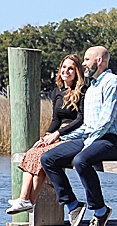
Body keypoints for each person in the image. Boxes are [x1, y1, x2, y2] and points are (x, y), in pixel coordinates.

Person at [39, 45, 117, 226]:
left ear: (99, 61)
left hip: (112, 140)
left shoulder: (113, 82)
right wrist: (59, 137)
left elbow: (106, 120)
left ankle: (100, 211)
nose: (84, 63)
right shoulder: (93, 87)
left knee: (82, 160)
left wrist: (87, 143)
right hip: (92, 138)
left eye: (87, 60)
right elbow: (87, 125)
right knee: (48, 158)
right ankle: (73, 205)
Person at [5, 54, 85, 215]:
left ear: (77, 72)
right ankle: (24, 200)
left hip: (73, 135)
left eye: (71, 68)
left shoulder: (83, 91)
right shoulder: (57, 91)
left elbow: (81, 119)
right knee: (33, 152)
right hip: (57, 134)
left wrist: (58, 134)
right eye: (64, 67)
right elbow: (56, 119)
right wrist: (46, 136)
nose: (66, 71)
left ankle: (28, 201)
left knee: (42, 157)